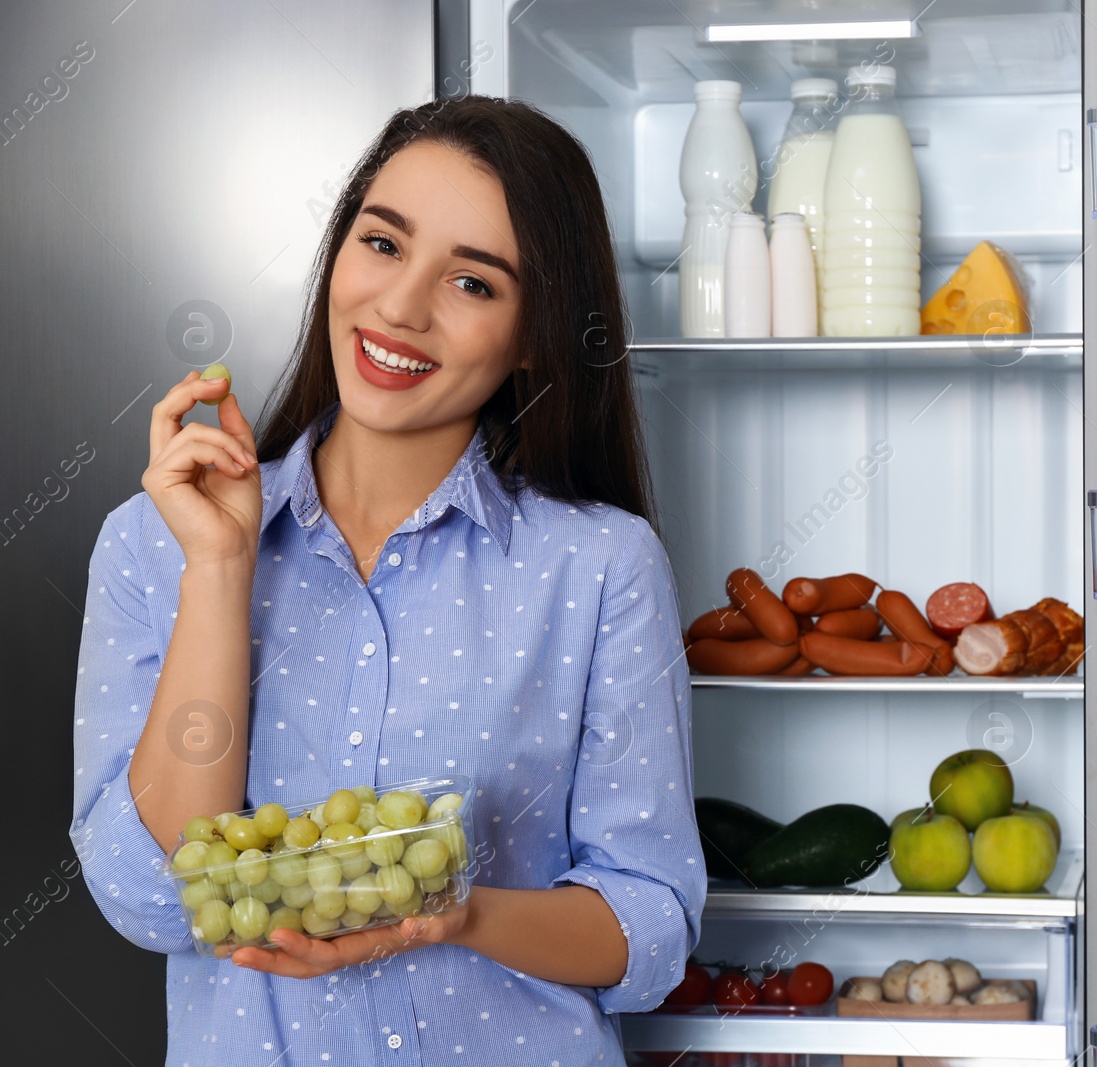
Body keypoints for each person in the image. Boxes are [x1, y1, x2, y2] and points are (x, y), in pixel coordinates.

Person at [69, 95, 704, 1065]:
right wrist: (222, 566)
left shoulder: (600, 566)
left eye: (474, 284)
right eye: (382, 244)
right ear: (339, 253)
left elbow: (649, 925)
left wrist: (455, 912)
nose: (401, 307)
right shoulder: (156, 543)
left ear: (534, 335)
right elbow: (152, 898)